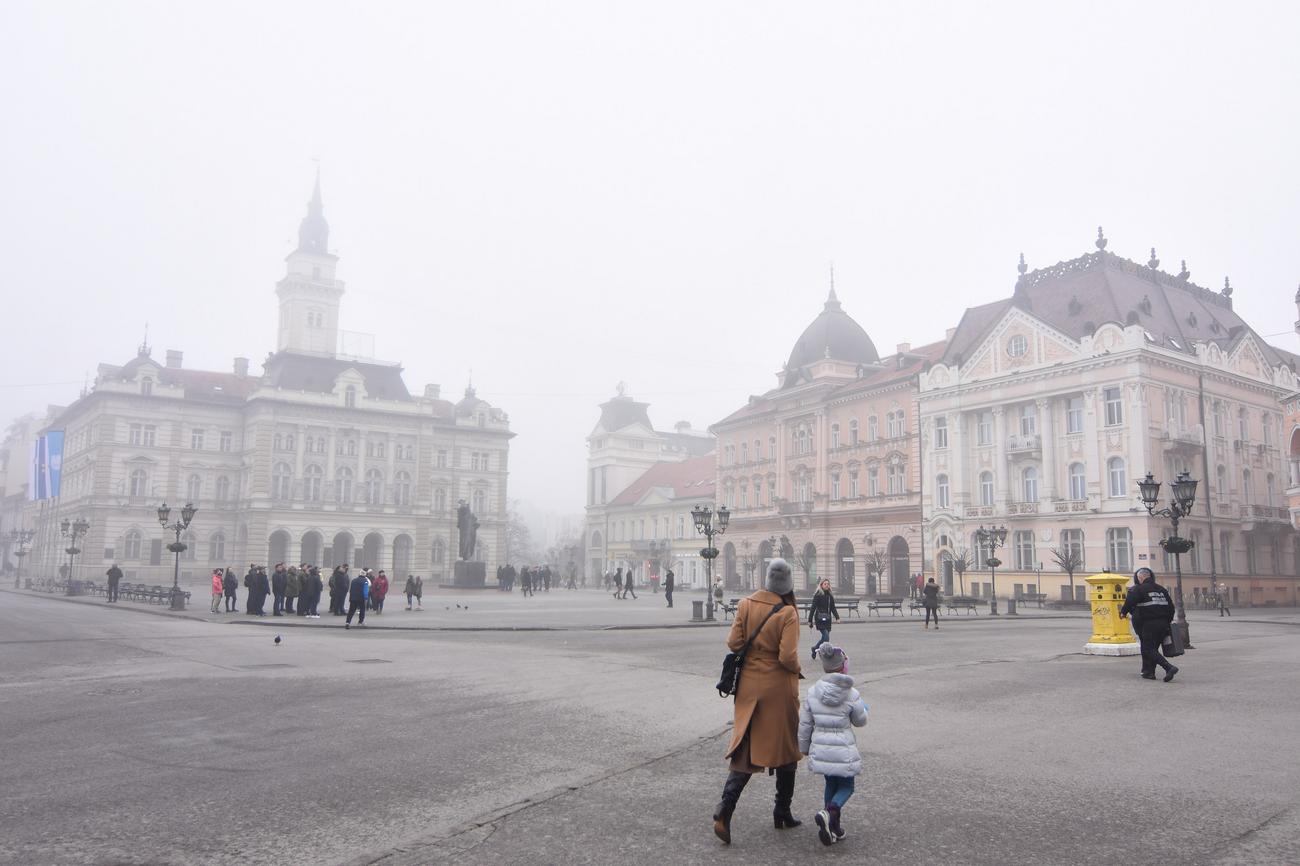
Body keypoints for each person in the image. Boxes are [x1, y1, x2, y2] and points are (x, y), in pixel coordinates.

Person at [712, 558, 803, 845]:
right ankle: (782, 811)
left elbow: (734, 643)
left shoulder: (746, 604)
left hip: (749, 686)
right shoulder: (788, 612)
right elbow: (787, 656)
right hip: (778, 687)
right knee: (787, 748)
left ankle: (725, 810)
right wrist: (797, 670)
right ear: (788, 584)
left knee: (745, 749)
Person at [799, 644, 868, 846]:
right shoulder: (851, 693)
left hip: (821, 747)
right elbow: (860, 721)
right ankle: (830, 813)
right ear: (843, 667)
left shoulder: (813, 691)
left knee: (831, 783)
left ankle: (832, 827)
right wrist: (864, 709)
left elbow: (805, 723)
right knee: (847, 786)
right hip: (843, 748)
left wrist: (803, 747)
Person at [1119, 567, 1179, 682]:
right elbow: (1171, 608)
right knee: (1153, 649)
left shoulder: (1138, 589)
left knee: (1148, 649)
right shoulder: (1162, 590)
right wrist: (1167, 621)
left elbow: (1129, 602)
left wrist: (1123, 612)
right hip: (1163, 624)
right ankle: (1149, 672)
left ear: (1140, 578)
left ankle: (1169, 667)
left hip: (1149, 624)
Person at [808, 578, 840, 657]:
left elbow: (833, 607)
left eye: (828, 584)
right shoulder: (818, 594)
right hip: (819, 619)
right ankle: (825, 654)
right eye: (825, 584)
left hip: (828, 619)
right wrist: (810, 620)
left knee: (824, 638)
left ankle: (815, 648)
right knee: (826, 637)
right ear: (821, 585)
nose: (827, 585)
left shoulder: (830, 595)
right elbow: (813, 607)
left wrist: (837, 617)